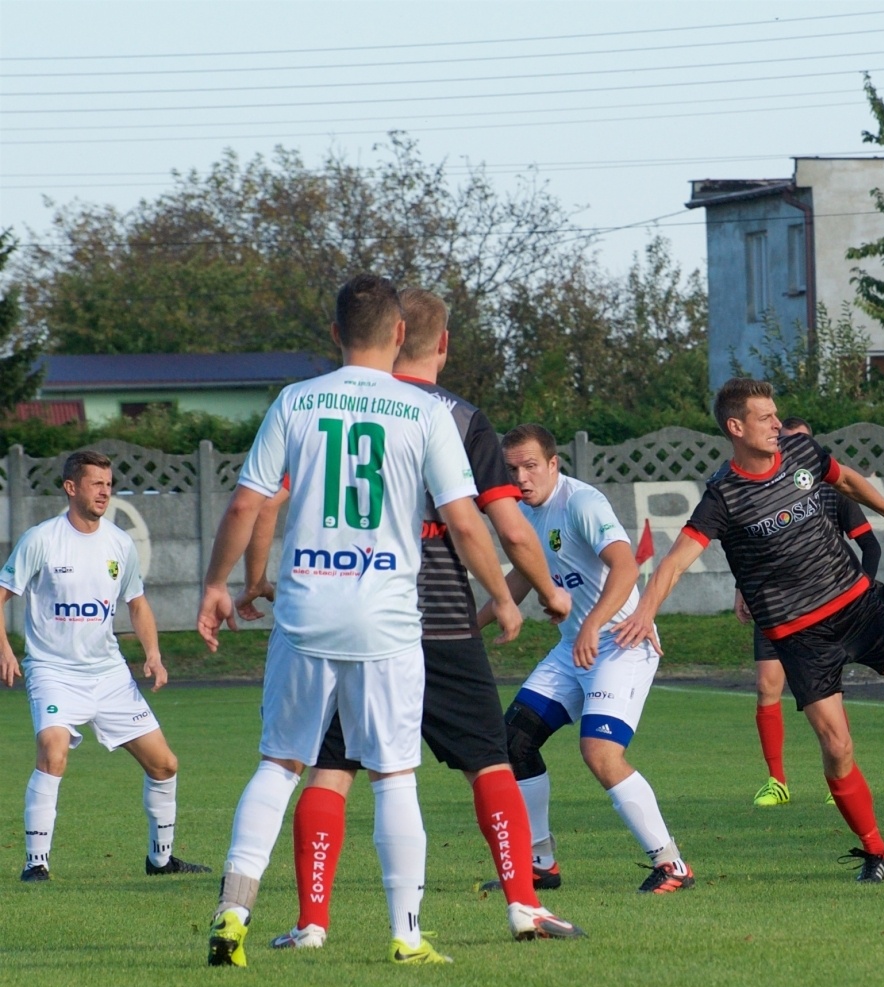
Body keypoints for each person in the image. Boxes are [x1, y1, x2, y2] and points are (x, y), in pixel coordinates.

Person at [232, 288, 583, 950]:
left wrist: (253, 581)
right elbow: (502, 526)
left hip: (340, 610)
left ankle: (312, 921)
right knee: (488, 760)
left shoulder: (322, 403)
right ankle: (524, 906)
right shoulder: (454, 418)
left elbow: (264, 503)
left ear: (389, 337)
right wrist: (535, 592)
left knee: (329, 766)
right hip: (441, 614)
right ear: (441, 344)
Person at [614, 378, 884, 886]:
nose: (777, 424)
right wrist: (646, 610)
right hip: (802, 636)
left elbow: (846, 480)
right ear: (736, 427)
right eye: (765, 418)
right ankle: (877, 853)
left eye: (776, 415)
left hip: (859, 606)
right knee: (837, 746)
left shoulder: (800, 449)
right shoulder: (723, 496)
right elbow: (672, 564)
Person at [486, 423, 693, 895]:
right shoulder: (521, 511)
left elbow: (625, 564)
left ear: (554, 464)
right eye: (513, 468)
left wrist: (592, 624)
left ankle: (671, 864)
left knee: (600, 752)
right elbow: (522, 576)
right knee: (512, 741)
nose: (521, 477)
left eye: (531, 466)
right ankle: (540, 863)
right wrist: (467, 626)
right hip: (573, 649)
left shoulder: (581, 502)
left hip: (620, 643)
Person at [0, 450, 210, 883]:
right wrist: (4, 647)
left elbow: (137, 603)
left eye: (109, 483)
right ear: (71, 488)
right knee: (53, 751)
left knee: (165, 765)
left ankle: (161, 860)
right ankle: (35, 863)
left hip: (109, 675)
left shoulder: (118, 542)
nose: (105, 491)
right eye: (96, 483)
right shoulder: (41, 540)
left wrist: (152, 654)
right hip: (53, 671)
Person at [739, 415, 882, 809]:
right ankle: (776, 781)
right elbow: (749, 550)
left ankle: (840, 781)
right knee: (767, 686)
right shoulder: (763, 494)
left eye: (800, 442)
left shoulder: (834, 493)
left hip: (827, 610)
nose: (791, 447)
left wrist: (862, 594)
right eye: (786, 440)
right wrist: (741, 588)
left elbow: (871, 546)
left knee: (830, 698)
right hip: (775, 608)